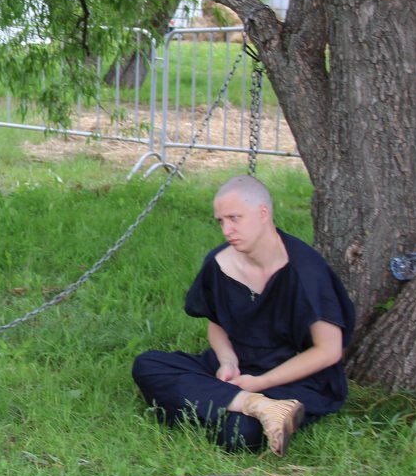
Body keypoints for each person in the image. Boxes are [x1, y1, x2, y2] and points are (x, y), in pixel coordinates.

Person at [132, 175, 355, 456]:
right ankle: (257, 407)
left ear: (263, 213)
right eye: (221, 221)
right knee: (148, 364)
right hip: (237, 368)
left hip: (291, 376)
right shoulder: (219, 263)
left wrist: (262, 383)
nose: (227, 229)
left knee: (238, 434)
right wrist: (227, 360)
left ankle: (218, 403)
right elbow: (216, 323)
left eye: (235, 218)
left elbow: (329, 351)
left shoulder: (306, 270)